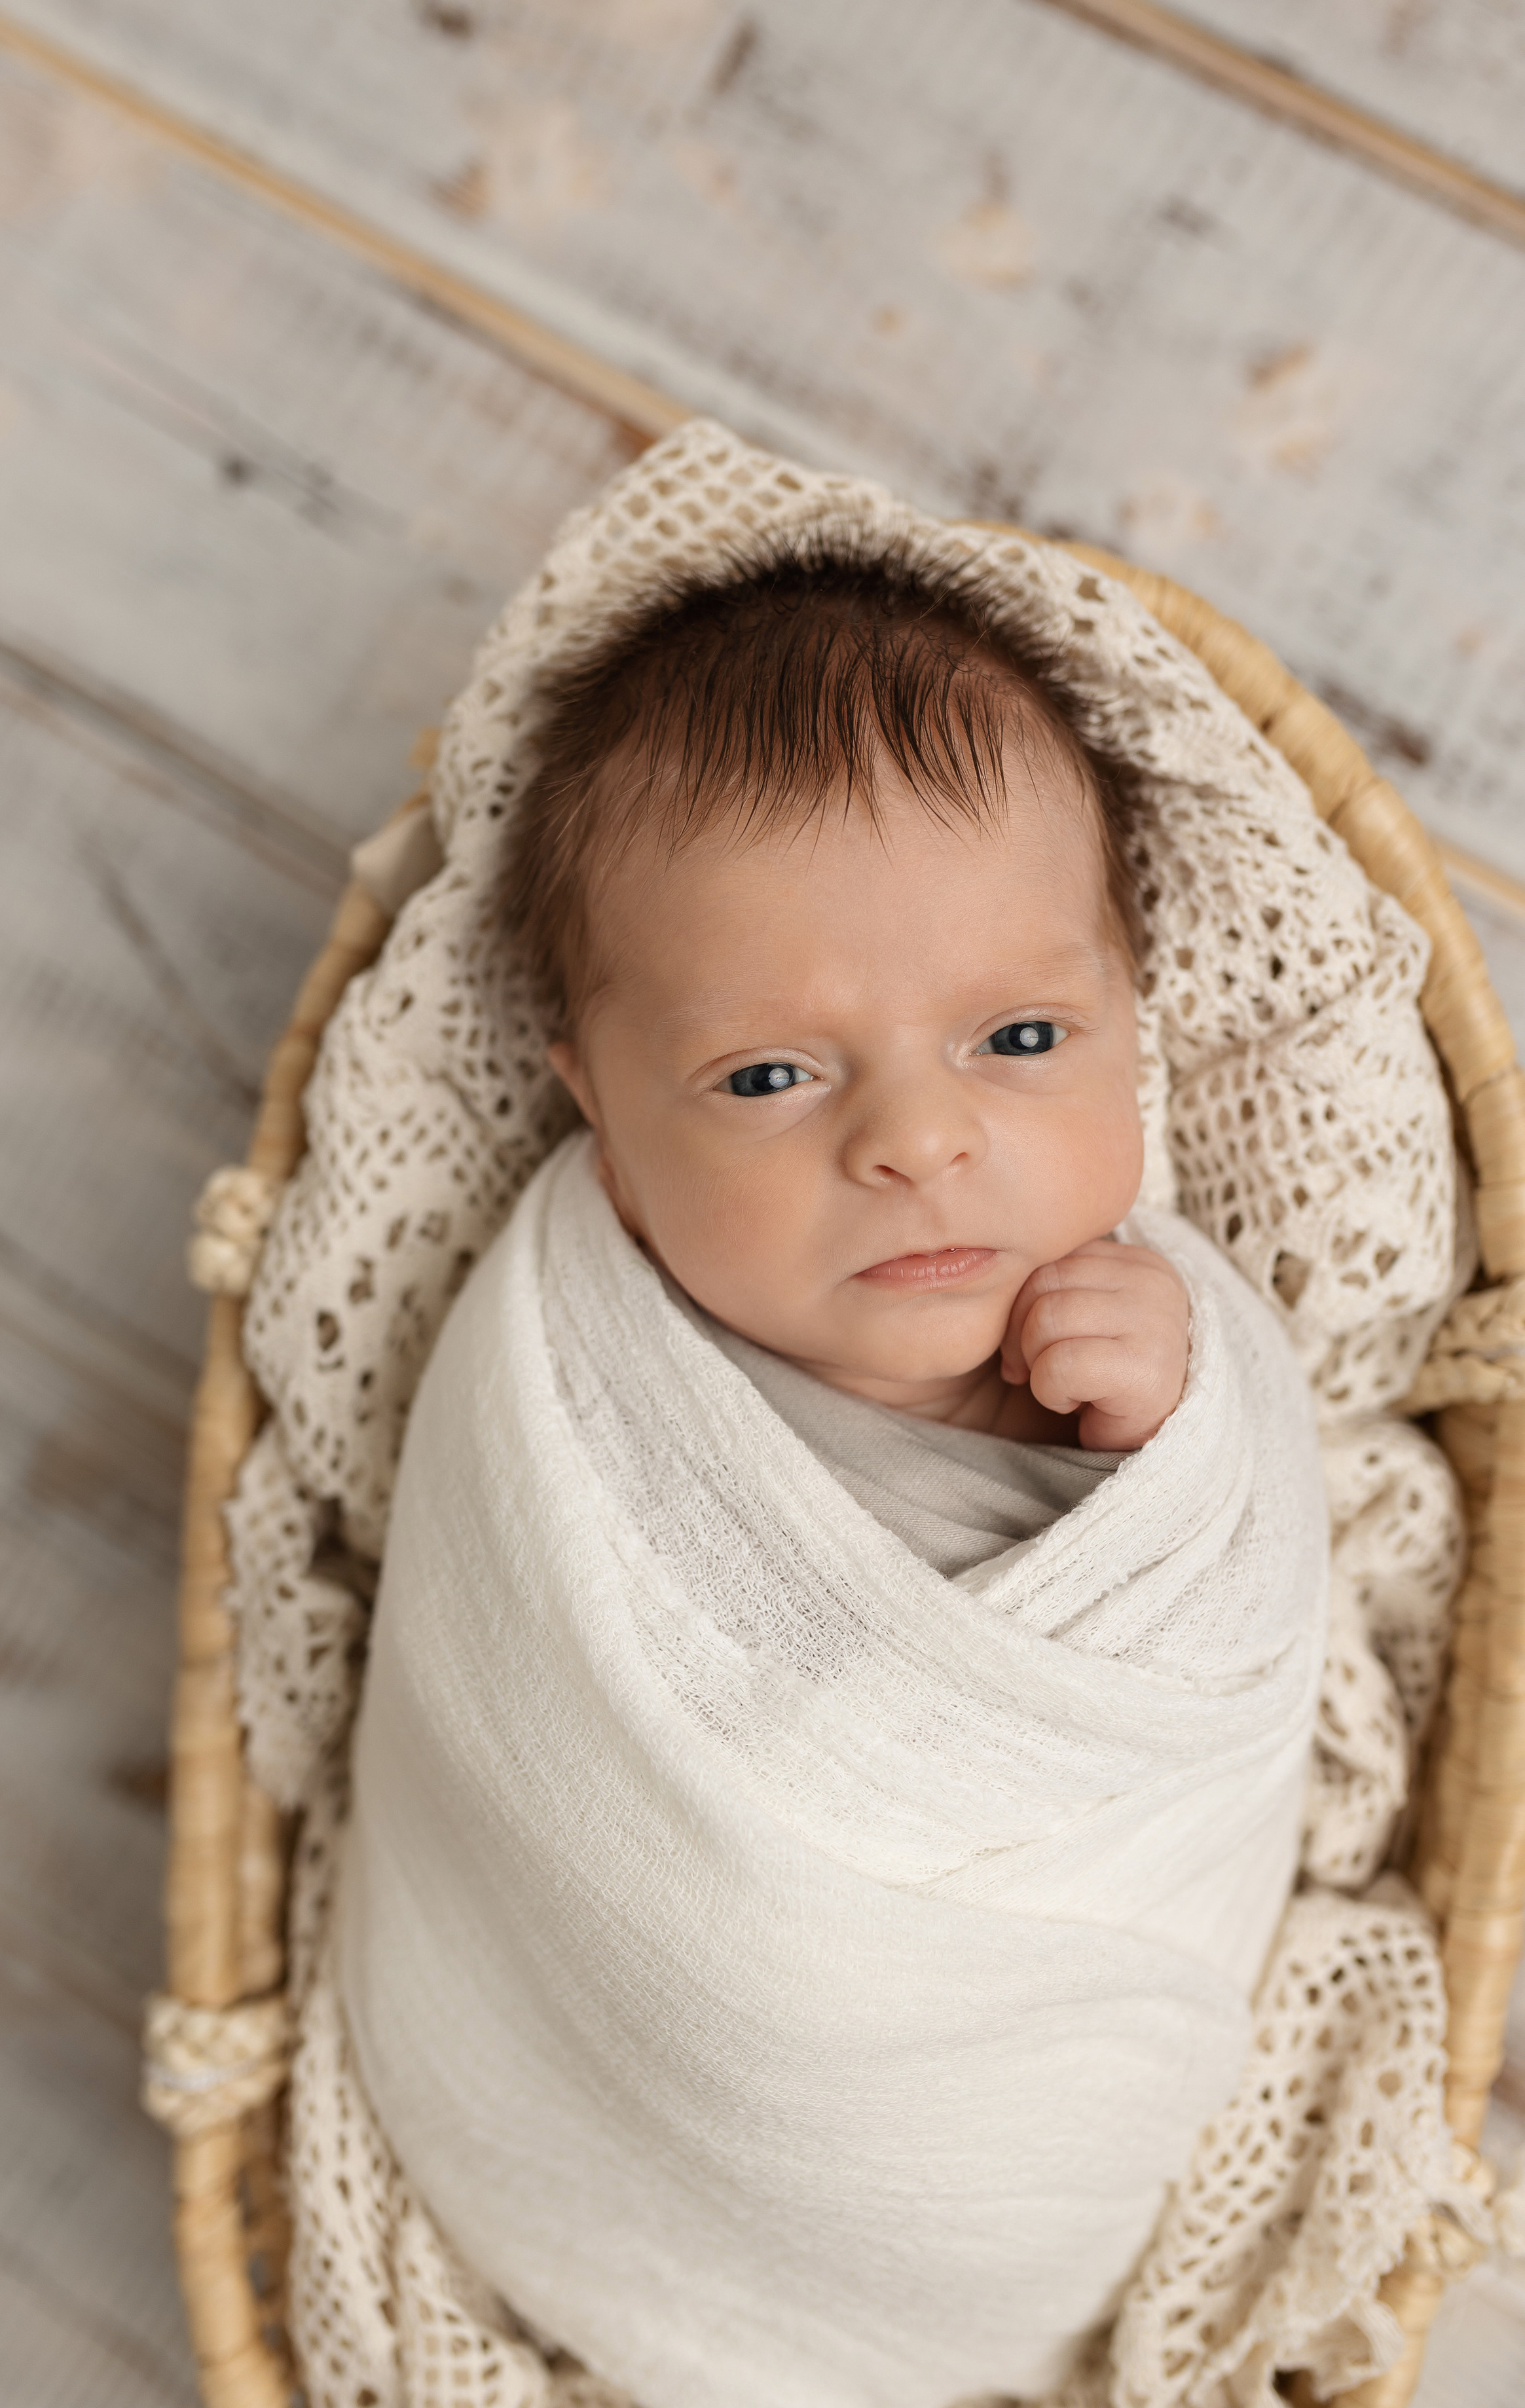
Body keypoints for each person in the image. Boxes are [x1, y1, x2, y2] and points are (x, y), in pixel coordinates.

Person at [336, 539, 1330, 2408]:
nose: (921, 1140)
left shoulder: (1148, 1337)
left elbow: (1228, 1626)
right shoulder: (578, 1367)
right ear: (603, 1120)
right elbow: (524, 1720)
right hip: (655, 2058)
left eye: (1021, 1041)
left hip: (996, 2121)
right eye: (772, 1078)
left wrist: (1180, 1439)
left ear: (1139, 1025)